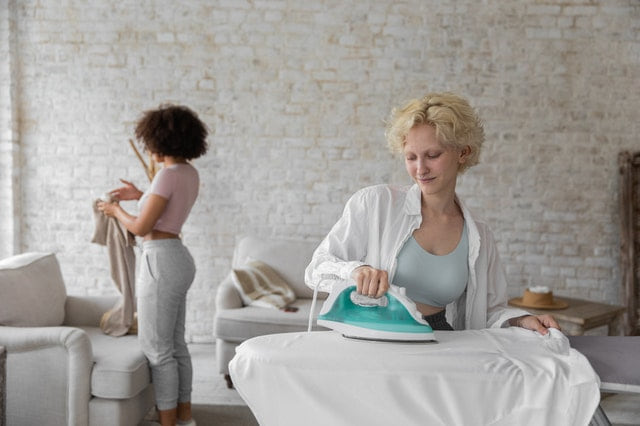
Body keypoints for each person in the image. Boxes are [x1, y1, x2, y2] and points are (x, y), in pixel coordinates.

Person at [304, 92, 559, 333]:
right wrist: (356, 271)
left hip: (438, 340)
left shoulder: (478, 235)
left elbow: (489, 310)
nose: (420, 169)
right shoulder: (375, 203)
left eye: (432, 155)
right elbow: (316, 269)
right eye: (411, 157)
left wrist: (521, 319)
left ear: (463, 152)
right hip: (373, 336)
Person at [98, 104, 208, 426]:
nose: (148, 149)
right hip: (178, 259)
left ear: (161, 141)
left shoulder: (166, 176)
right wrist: (140, 195)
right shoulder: (188, 173)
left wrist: (115, 210)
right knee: (176, 345)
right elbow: (167, 206)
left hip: (159, 261)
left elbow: (141, 227)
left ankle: (167, 422)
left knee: (157, 349)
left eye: (149, 142)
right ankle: (183, 417)